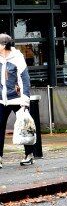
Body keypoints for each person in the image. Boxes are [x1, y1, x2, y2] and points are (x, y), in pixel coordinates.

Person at [0, 33, 33, 167]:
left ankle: (29, 155)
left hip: (17, 99)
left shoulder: (17, 58)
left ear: (3, 45)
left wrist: (25, 100)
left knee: (24, 126)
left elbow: (25, 79)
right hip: (2, 100)